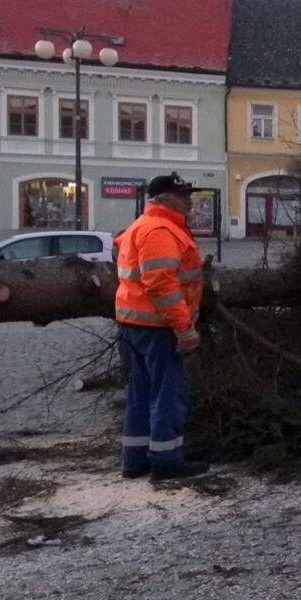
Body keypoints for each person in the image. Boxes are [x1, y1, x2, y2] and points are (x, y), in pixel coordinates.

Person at [114, 173, 209, 480]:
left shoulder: (142, 226)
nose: (189, 201)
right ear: (162, 199)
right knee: (167, 395)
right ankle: (167, 462)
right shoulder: (159, 230)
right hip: (158, 327)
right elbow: (161, 285)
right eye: (182, 195)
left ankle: (135, 460)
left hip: (134, 324)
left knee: (140, 394)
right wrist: (184, 328)